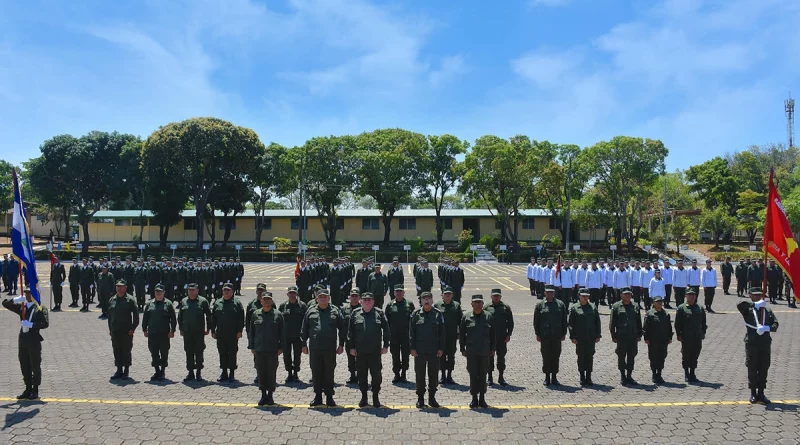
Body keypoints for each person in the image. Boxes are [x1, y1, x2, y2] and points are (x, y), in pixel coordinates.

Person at [301, 289, 346, 407]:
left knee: (329, 372)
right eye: (320, 297)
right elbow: (304, 328)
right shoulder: (310, 311)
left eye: (325, 297)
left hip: (329, 348)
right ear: (317, 299)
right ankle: (318, 396)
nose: (323, 299)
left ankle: (330, 397)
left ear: (329, 298)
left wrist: (341, 344)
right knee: (316, 372)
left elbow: (342, 328)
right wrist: (303, 345)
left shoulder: (335, 311)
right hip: (315, 348)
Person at [3, 290, 49, 399]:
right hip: (23, 339)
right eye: (25, 293)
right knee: (24, 364)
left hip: (33, 339)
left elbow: (45, 323)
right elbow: (5, 304)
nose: (26, 295)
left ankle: (35, 390)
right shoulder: (22, 307)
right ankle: (28, 388)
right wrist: (15, 300)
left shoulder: (40, 309)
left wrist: (32, 324)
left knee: (35, 364)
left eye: (29, 293)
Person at [347, 291, 390, 408]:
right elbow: (350, 332)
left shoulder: (379, 313)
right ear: (361, 301)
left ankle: (375, 397)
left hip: (375, 352)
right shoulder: (355, 313)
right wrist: (351, 347)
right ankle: (364, 397)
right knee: (361, 376)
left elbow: (386, 330)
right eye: (364, 300)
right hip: (360, 352)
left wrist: (386, 345)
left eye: (369, 300)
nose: (366, 302)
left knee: (376, 376)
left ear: (373, 302)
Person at [737, 287, 779, 404]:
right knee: (752, 367)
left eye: (759, 295)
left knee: (764, 367)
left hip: (765, 343)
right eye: (755, 295)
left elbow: (775, 324)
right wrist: (753, 304)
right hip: (752, 343)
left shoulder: (767, 310)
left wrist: (767, 328)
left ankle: (761, 392)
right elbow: (739, 305)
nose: (758, 297)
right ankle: (753, 393)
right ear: (750, 295)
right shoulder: (748, 309)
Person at [248, 291, 285, 406]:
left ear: (272, 300)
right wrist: (252, 346)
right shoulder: (256, 314)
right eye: (265, 299)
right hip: (259, 349)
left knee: (271, 373)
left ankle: (270, 395)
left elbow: (282, 333)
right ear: (261, 301)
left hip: (272, 349)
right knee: (261, 372)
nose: (267, 301)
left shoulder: (278, 315)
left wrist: (281, 347)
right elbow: (251, 332)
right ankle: (263, 394)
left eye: (269, 299)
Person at [410, 291, 445, 408]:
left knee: (433, 375)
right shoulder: (415, 314)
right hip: (419, 351)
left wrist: (441, 348)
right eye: (424, 298)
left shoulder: (438, 314)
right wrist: (412, 348)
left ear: (432, 300)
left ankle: (432, 398)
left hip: (434, 351)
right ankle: (420, 398)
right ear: (420, 301)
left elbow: (442, 333)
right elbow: (411, 333)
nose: (426, 300)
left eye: (428, 298)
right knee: (420, 375)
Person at [460, 294, 495, 408]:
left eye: (480, 302)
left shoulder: (489, 316)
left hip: (485, 352)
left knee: (483, 374)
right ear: (472, 304)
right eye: (476, 302)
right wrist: (462, 349)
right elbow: (462, 335)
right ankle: (474, 398)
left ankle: (482, 398)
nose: (478, 304)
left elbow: (493, 335)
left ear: (483, 304)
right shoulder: (466, 317)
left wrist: (493, 349)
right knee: (473, 375)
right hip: (472, 352)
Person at [210, 283, 245, 382]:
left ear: (232, 291)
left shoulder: (237, 303)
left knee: (232, 353)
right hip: (220, 333)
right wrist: (213, 331)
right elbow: (213, 319)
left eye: (228, 290)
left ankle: (232, 373)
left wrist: (239, 331)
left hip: (233, 334)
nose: (226, 292)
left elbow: (241, 319)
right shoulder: (218, 303)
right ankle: (224, 372)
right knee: (222, 353)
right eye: (224, 290)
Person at [534, 285, 567, 386]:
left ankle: (554, 377)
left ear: (554, 293)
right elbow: (536, 321)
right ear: (545, 293)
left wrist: (564, 333)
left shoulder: (560, 304)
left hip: (556, 335)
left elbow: (564, 320)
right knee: (546, 356)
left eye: (551, 292)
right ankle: (547, 377)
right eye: (548, 292)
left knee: (556, 356)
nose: (550, 294)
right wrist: (538, 334)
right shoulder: (540, 305)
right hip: (545, 336)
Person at [142, 285, 177, 381]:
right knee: (153, 352)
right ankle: (157, 370)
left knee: (164, 352)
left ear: (164, 292)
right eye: (157, 291)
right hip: (152, 333)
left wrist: (172, 330)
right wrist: (144, 329)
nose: (158, 293)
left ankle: (162, 370)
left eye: (160, 292)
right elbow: (145, 317)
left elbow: (173, 318)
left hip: (164, 333)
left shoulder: (168, 303)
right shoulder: (149, 304)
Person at [178, 283, 212, 382]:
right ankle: (190, 372)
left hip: (199, 332)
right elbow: (180, 316)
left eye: (193, 290)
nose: (191, 292)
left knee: (199, 351)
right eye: (189, 290)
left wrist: (209, 328)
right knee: (188, 351)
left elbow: (209, 316)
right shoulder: (184, 301)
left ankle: (198, 372)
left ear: (197, 290)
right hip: (187, 332)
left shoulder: (203, 301)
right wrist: (181, 328)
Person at [568, 288, 601, 386]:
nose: (585, 298)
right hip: (580, 337)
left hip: (590, 337)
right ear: (579, 296)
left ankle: (589, 377)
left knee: (590, 356)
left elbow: (597, 322)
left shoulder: (593, 307)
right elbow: (571, 324)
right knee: (581, 356)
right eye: (583, 296)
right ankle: (582, 376)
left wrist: (598, 335)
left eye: (587, 296)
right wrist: (572, 336)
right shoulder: (574, 308)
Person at [609, 287, 642, 385]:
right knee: (621, 356)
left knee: (632, 356)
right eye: (626, 294)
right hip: (621, 336)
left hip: (632, 336)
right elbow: (612, 323)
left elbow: (638, 321)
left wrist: (640, 333)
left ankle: (629, 375)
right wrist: (613, 335)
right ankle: (623, 376)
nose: (628, 296)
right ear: (621, 295)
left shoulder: (635, 306)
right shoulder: (616, 306)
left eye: (629, 294)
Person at [107, 280, 139, 380]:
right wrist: (110, 329)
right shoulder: (112, 299)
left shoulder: (130, 300)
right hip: (115, 330)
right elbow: (109, 316)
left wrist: (133, 328)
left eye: (121, 287)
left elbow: (136, 316)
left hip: (126, 331)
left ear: (125, 288)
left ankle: (126, 370)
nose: (119, 289)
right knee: (116, 350)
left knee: (126, 350)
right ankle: (119, 369)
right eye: (117, 287)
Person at [674, 288, 707, 383]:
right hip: (686, 336)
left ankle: (692, 372)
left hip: (697, 336)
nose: (692, 296)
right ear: (686, 296)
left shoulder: (699, 307)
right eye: (689, 295)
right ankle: (686, 373)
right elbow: (677, 323)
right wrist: (678, 334)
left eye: (693, 295)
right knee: (686, 355)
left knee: (695, 355)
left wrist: (703, 332)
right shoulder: (681, 308)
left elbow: (703, 322)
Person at [385, 284, 415, 383]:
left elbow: (414, 321)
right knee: (395, 356)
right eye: (397, 291)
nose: (398, 293)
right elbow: (386, 322)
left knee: (405, 355)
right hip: (394, 336)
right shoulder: (390, 305)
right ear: (394, 293)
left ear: (404, 292)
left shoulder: (409, 304)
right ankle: (396, 374)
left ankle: (404, 374)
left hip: (406, 335)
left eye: (400, 291)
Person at [279, 285, 307, 383]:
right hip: (286, 336)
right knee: (286, 356)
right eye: (290, 293)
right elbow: (279, 321)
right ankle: (289, 373)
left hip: (298, 336)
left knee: (297, 356)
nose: (292, 295)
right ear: (287, 294)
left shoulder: (302, 306)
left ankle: (296, 373)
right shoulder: (283, 306)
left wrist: (305, 336)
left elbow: (306, 321)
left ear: (297, 294)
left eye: (294, 293)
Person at [485, 288, 514, 386]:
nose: (496, 298)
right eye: (494, 296)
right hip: (490, 338)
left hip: (502, 337)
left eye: (498, 296)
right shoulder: (486, 307)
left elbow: (510, 322)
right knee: (490, 358)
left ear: (500, 297)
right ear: (491, 296)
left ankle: (501, 377)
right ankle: (489, 377)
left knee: (501, 358)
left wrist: (509, 334)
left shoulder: (505, 307)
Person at [642, 295, 672, 384]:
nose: (660, 303)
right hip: (653, 340)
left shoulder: (666, 314)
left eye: (661, 301)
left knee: (662, 356)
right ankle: (654, 373)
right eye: (657, 302)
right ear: (653, 303)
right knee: (653, 357)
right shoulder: (650, 314)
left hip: (663, 339)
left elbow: (669, 327)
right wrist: (646, 338)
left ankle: (659, 373)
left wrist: (670, 337)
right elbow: (645, 327)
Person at [435, 286, 461, 385]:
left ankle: (449, 375)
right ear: (442, 295)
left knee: (451, 356)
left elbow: (460, 321)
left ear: (452, 295)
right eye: (446, 294)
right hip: (440, 336)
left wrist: (459, 334)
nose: (447, 296)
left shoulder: (456, 306)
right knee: (441, 356)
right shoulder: (437, 305)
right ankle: (442, 376)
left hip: (452, 336)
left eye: (449, 294)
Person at [245, 284, 267, 384]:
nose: (260, 292)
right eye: (258, 290)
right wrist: (249, 334)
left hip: (268, 334)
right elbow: (248, 321)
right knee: (257, 356)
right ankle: (259, 374)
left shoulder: (270, 302)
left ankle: (267, 373)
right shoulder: (251, 304)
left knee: (268, 355)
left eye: (262, 290)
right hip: (256, 335)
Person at [340, 288, 362, 384]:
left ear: (359, 297)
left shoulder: (362, 308)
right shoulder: (344, 309)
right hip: (348, 339)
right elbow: (341, 326)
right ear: (349, 297)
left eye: (356, 296)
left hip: (360, 339)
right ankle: (352, 375)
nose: (354, 298)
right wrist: (340, 343)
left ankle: (360, 376)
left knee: (361, 359)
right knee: (350, 358)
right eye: (352, 296)